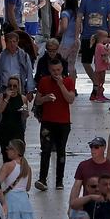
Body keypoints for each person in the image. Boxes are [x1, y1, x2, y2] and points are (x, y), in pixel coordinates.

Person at [35, 57, 77, 190]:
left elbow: (70, 99)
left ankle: (59, 180)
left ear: (62, 69)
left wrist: (61, 85)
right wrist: (45, 98)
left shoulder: (68, 81)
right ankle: (42, 179)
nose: (56, 73)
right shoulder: (44, 81)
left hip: (63, 123)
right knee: (45, 150)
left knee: (61, 151)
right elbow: (37, 101)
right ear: (49, 70)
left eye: (58, 70)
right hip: (47, 122)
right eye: (53, 70)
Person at [0, 74, 30, 163]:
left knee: (18, 157)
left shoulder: (22, 98)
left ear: (18, 87)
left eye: (15, 86)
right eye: (10, 86)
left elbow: (25, 115)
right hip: (5, 130)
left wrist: (24, 112)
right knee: (6, 157)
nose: (12, 88)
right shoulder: (2, 96)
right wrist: (7, 98)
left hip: (17, 130)